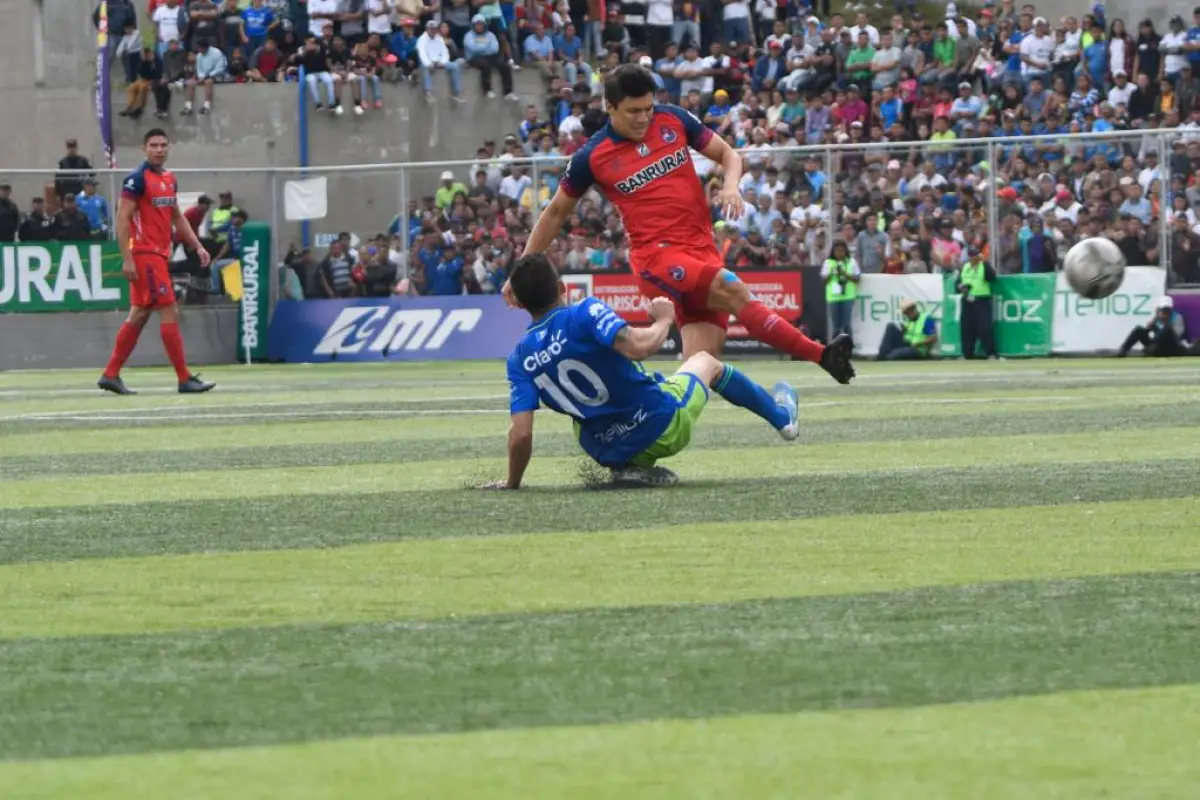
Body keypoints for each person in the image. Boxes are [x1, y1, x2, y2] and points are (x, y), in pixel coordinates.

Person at [511, 64, 855, 384]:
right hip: (657, 256)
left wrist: (732, 186)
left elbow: (729, 155)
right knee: (734, 290)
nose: (645, 117)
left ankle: (654, 420)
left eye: (648, 108)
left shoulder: (673, 119)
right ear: (611, 106)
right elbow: (555, 213)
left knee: (701, 370)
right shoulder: (592, 156)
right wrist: (521, 272)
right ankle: (822, 354)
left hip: (701, 248)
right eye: (634, 111)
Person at [483, 254, 801, 489]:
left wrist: (512, 482)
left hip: (604, 449)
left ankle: (627, 468)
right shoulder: (584, 311)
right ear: (562, 287)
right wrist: (663, 320)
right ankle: (783, 419)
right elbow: (637, 346)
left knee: (597, 403)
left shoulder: (519, 358)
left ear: (521, 303)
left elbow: (521, 433)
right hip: (659, 427)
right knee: (706, 362)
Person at [98, 129, 216, 395]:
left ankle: (111, 374)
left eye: (163, 145)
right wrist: (126, 258)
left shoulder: (168, 179)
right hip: (145, 255)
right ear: (144, 149)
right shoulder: (136, 180)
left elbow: (177, 217)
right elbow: (122, 219)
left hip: (158, 256)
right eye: (154, 145)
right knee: (169, 309)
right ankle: (184, 378)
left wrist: (197, 246)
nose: (159, 149)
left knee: (139, 314)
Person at [953, 243, 998, 359]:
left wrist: (985, 262)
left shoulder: (983, 265)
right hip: (967, 300)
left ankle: (991, 353)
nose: (972, 258)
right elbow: (957, 284)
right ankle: (967, 354)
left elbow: (992, 277)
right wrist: (961, 287)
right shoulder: (965, 267)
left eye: (974, 255)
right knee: (967, 329)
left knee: (985, 328)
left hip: (981, 300)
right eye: (970, 255)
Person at [1117, 296, 1193, 357]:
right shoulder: (1156, 318)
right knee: (1139, 329)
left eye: (1167, 309)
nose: (1165, 312)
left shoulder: (1177, 317)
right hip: (1156, 346)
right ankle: (1123, 350)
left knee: (1167, 330)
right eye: (1163, 309)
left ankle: (1151, 349)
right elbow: (1147, 331)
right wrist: (1152, 324)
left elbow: (1176, 335)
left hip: (1170, 347)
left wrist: (1165, 322)